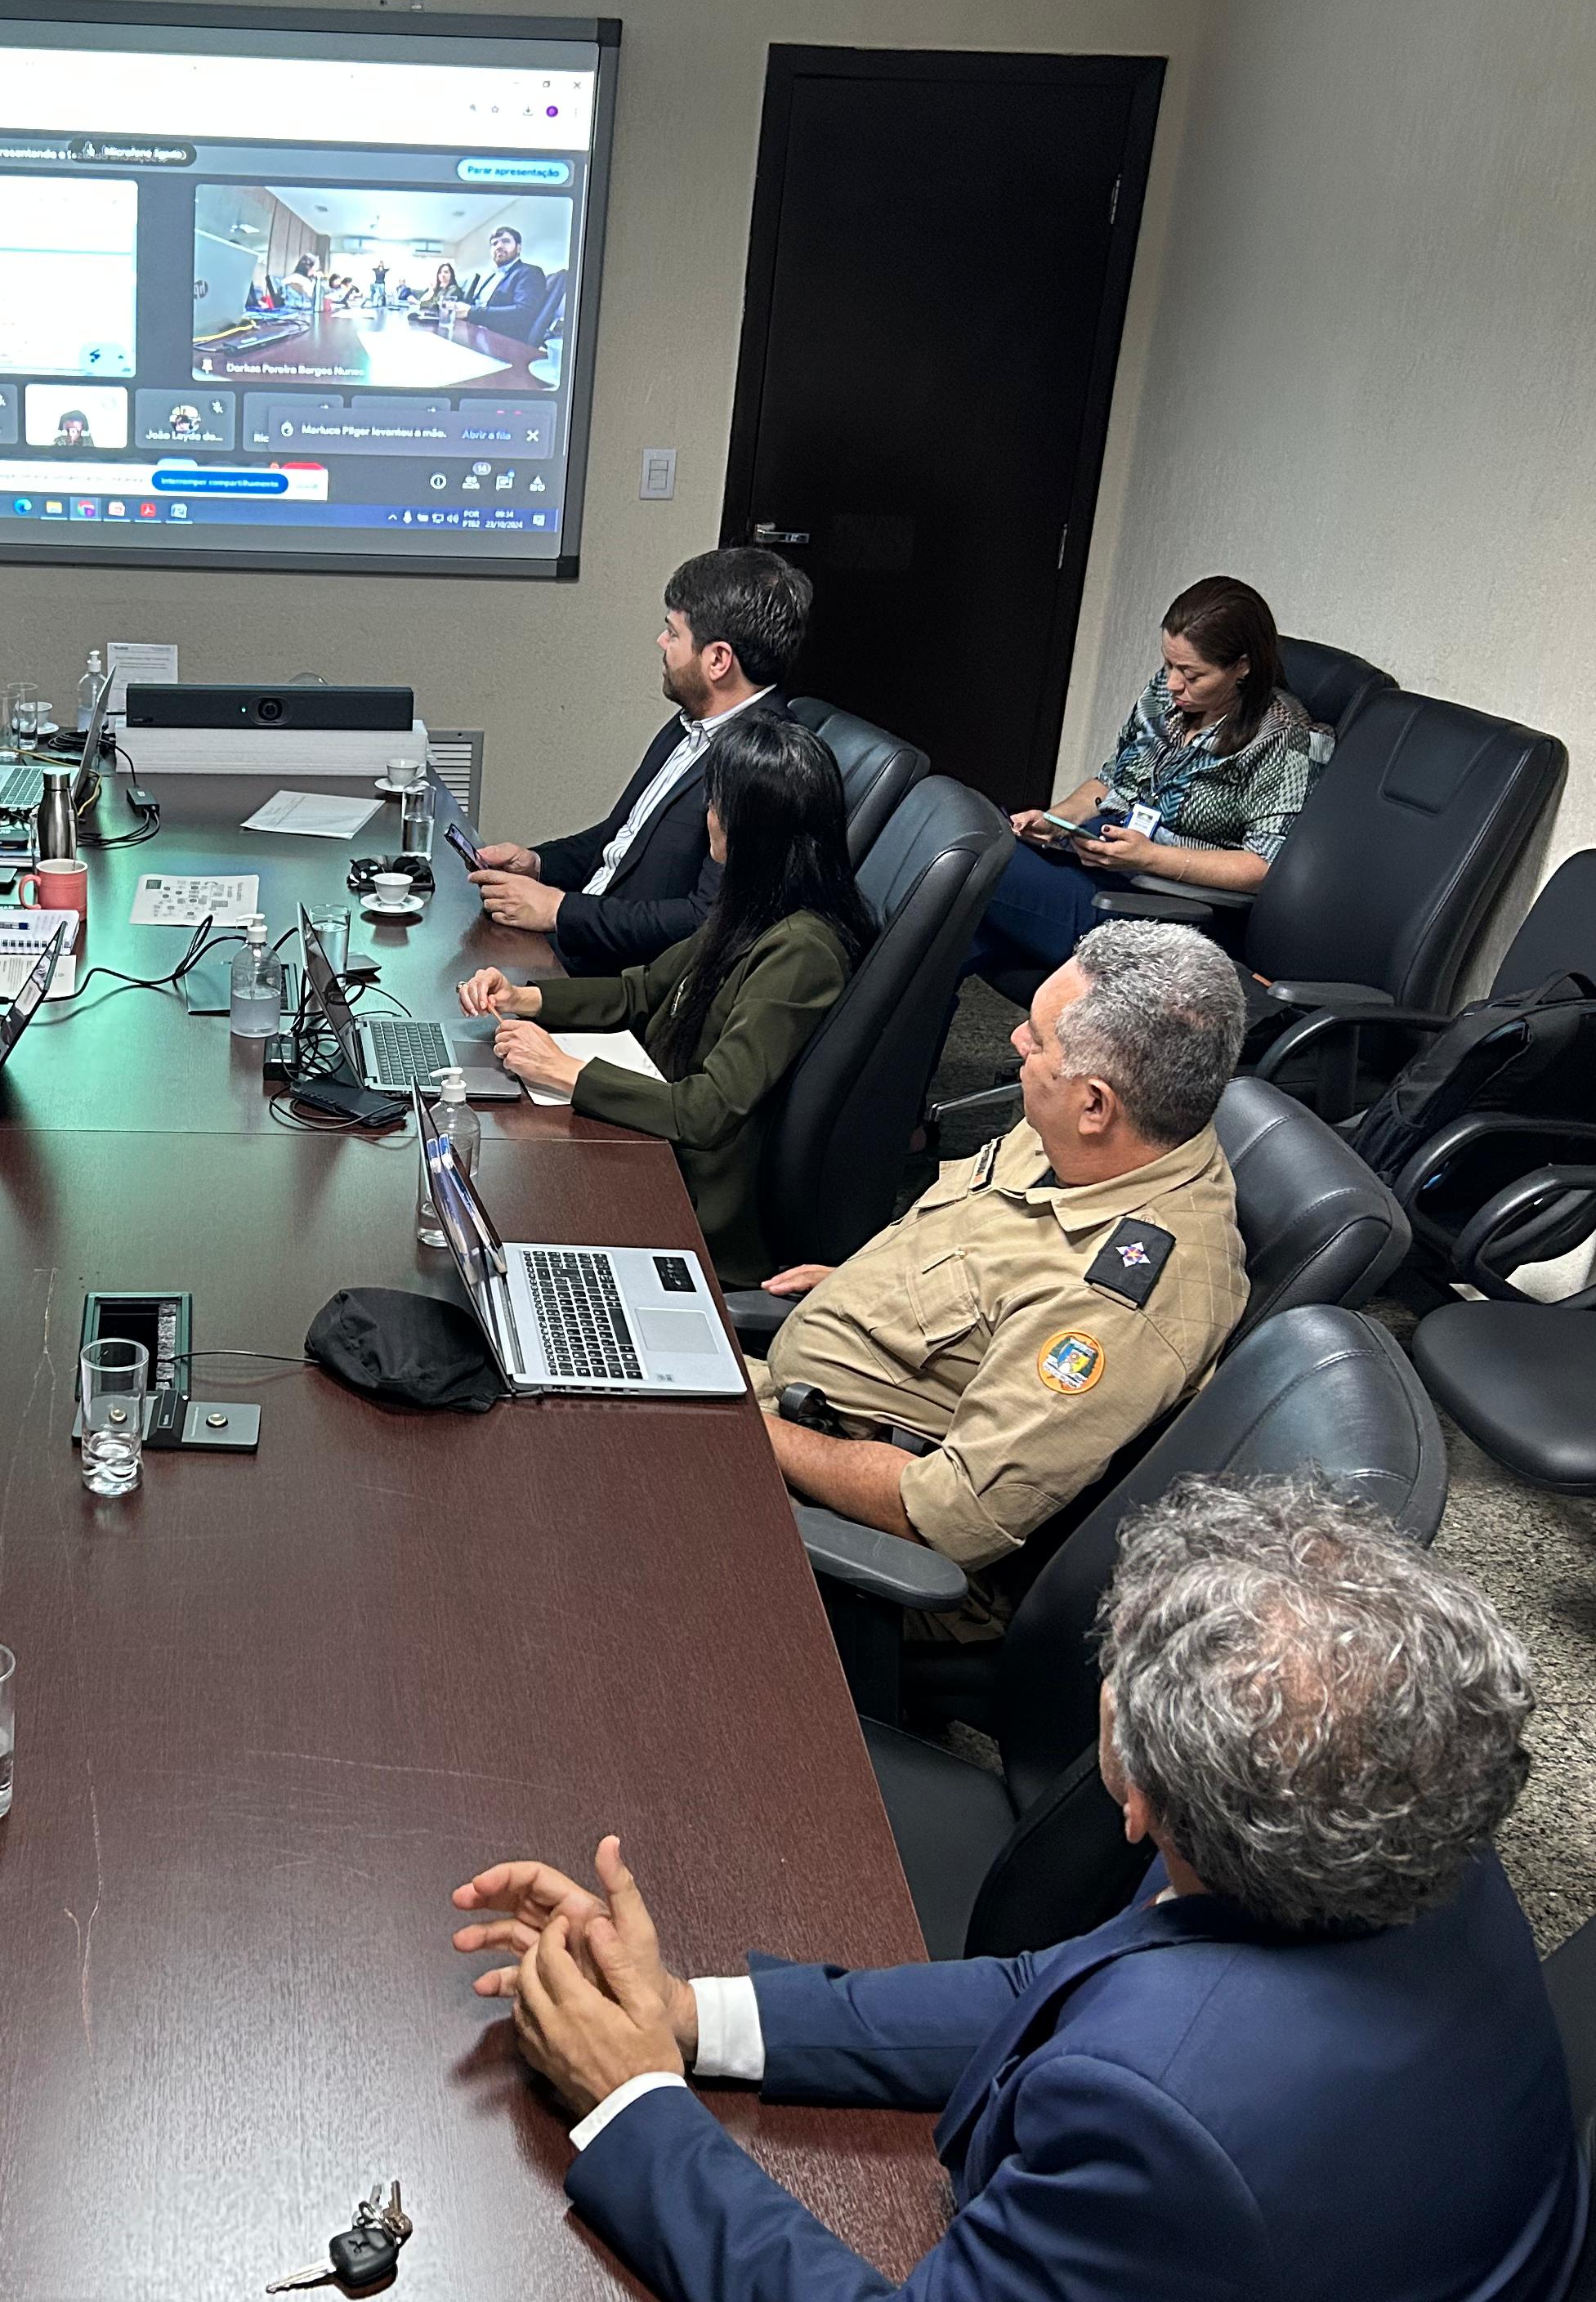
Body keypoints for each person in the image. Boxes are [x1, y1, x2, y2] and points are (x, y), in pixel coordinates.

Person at [452, 1473, 1583, 2302]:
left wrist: (632, 2099)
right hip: (1339, 2274)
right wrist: (696, 2018)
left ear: (1134, 1796)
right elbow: (1069, 1985)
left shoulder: (1171, 2120)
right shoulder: (1375, 1816)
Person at [758, 920, 1249, 1580]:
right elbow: (987, 1254)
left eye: (1037, 1040)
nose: (1015, 1040)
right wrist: (869, 1286)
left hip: (821, 1507)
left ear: (1095, 1105)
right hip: (784, 1401)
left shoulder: (1108, 1305)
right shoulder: (1094, 1138)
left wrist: (749, 1432)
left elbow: (944, 1516)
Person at [458, 716, 874, 1283]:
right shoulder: (753, 905)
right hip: (656, 1147)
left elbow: (708, 1111)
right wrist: (526, 999)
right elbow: (643, 990)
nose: (708, 818)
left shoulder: (802, 954)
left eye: (716, 804)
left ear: (749, 826)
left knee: (501, 1198)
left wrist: (566, 1072)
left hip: (692, 1202)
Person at [468, 547, 811, 973]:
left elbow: (705, 922)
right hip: (571, 942)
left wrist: (560, 911)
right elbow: (622, 839)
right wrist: (538, 866)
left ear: (718, 659)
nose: (661, 643)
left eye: (674, 633)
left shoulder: (761, 764)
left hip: (613, 980)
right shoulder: (691, 722)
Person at [967, 575, 1325, 982]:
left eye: (1192, 674)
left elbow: (1264, 867)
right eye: (1169, 664)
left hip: (1165, 911)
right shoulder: (1164, 695)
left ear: (1242, 667)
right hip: (1103, 868)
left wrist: (1149, 857)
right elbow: (1110, 781)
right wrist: (1055, 820)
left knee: (973, 860)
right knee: (957, 913)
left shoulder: (1284, 736)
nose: (1173, 683)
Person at [461, 226, 552, 335]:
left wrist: (471, 312)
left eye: (506, 241)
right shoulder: (491, 276)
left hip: (502, 342)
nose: (499, 246)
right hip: (474, 332)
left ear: (518, 248)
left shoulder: (529, 272)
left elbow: (523, 313)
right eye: (494, 244)